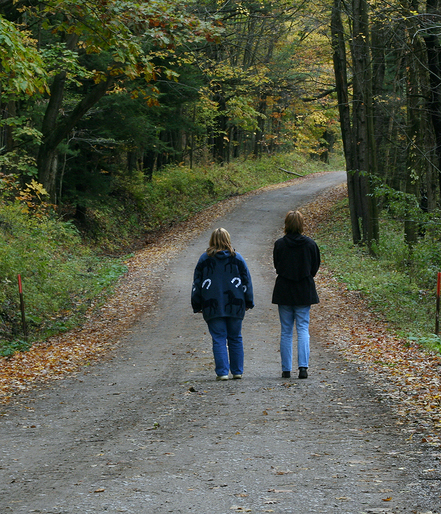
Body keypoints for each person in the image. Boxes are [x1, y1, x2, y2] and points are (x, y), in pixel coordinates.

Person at [192, 228, 254, 381]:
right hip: (235, 306)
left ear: (212, 240)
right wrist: (248, 301)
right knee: (235, 337)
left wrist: (197, 304)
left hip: (212, 306)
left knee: (219, 338)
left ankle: (222, 372)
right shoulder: (237, 258)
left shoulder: (204, 260)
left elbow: (197, 284)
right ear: (228, 239)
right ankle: (237, 371)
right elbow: (247, 281)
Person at [272, 210, 320, 379]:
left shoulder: (279, 244)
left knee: (286, 331)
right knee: (302, 328)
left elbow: (277, 266)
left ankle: (286, 370)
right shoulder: (310, 244)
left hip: (284, 290)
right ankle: (303, 368)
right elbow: (314, 267)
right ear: (301, 224)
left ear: (286, 224)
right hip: (303, 290)